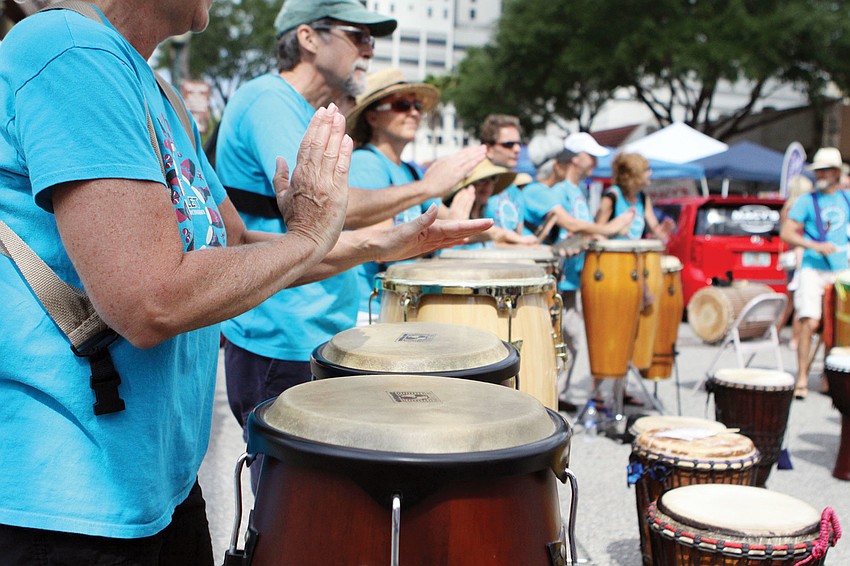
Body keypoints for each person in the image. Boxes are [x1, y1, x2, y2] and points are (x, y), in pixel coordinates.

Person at [0, 2, 490, 563]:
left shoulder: (156, 91)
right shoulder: (70, 51)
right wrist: (309, 234)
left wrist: (379, 244)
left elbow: (235, 249)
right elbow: (150, 300)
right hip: (68, 504)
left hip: (157, 487)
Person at [215, 0, 486, 487]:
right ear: (308, 38)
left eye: (370, 39)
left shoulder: (298, 109)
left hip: (311, 328)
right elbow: (319, 200)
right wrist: (428, 187)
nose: (368, 49)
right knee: (290, 507)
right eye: (357, 36)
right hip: (280, 334)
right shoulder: (267, 99)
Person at [345, 67, 476, 324]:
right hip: (371, 308)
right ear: (372, 117)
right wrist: (441, 239)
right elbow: (381, 249)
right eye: (402, 105)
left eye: (417, 105)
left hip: (398, 303)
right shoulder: (366, 163)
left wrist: (468, 220)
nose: (414, 112)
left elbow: (451, 223)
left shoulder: (411, 171)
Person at [523, 133, 634, 412]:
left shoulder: (574, 190)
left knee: (568, 342)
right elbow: (566, 227)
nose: (594, 161)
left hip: (570, 279)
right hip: (555, 279)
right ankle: (545, 400)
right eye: (589, 155)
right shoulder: (548, 191)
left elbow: (572, 231)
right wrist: (608, 229)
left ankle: (552, 398)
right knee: (560, 341)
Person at [780, 147, 850, 400]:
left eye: (824, 170)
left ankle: (828, 376)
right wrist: (815, 246)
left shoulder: (846, 199)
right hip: (812, 267)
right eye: (817, 170)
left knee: (837, 327)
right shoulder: (807, 201)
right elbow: (787, 232)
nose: (819, 174)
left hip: (840, 270)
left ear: (835, 172)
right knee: (809, 321)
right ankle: (801, 376)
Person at [595, 152, 673, 242]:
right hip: (613, 254)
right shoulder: (612, 196)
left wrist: (661, 232)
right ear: (634, 174)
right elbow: (597, 233)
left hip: (633, 254)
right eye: (646, 169)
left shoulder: (643, 198)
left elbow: (655, 230)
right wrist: (615, 232)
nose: (650, 172)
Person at [479, 114, 529, 237]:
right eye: (509, 144)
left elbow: (518, 234)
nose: (517, 149)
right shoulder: (477, 185)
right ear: (489, 149)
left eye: (519, 143)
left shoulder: (515, 190)